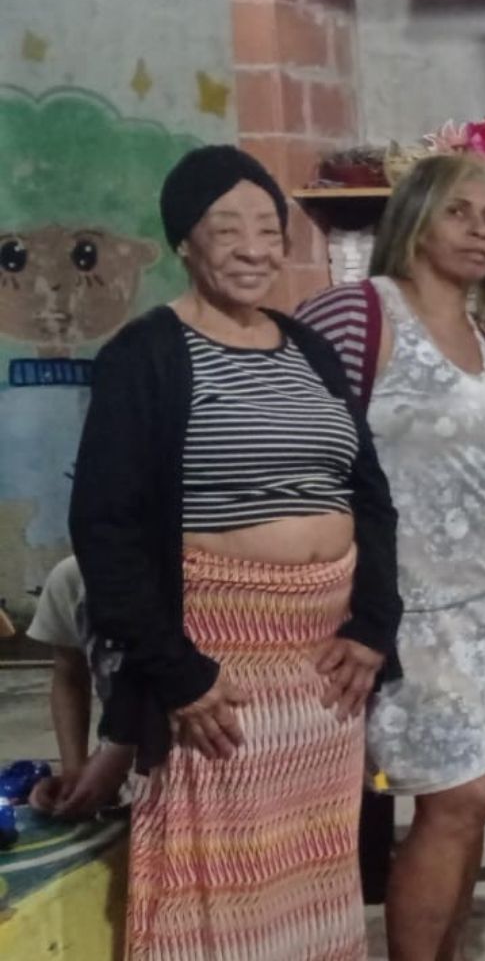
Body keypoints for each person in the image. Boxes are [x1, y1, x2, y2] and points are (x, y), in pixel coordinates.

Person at [69, 144, 400, 959]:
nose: (255, 248)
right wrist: (175, 669)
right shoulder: (145, 355)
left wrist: (373, 621)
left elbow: (370, 493)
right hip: (216, 667)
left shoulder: (307, 348)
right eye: (228, 229)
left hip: (323, 674)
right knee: (219, 879)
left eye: (268, 227)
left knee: (312, 870)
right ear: (184, 240)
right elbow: (104, 526)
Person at [296, 154, 485, 961]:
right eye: (459, 212)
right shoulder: (359, 314)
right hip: (402, 608)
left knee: (472, 793)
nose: (479, 230)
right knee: (457, 795)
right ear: (415, 219)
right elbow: (297, 445)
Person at [25, 556, 135, 819]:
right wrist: (74, 771)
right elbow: (69, 675)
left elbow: (188, 688)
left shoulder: (193, 574)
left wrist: (119, 754)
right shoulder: (71, 578)